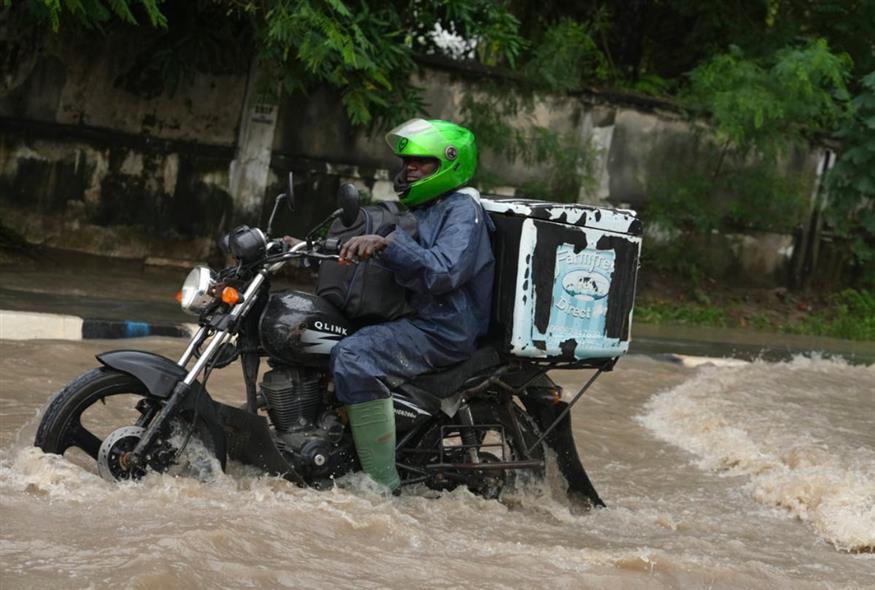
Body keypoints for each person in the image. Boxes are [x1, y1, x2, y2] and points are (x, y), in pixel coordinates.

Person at [331, 119, 494, 491]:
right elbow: (372, 233)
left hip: (443, 327)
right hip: (414, 317)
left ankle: (382, 487)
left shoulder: (462, 210)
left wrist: (388, 244)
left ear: (449, 163)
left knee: (353, 356)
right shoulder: (422, 206)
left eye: (422, 163)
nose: (411, 169)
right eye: (409, 163)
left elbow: (444, 270)